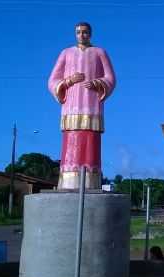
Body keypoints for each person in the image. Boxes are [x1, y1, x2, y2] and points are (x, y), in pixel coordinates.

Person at [48, 22, 116, 189]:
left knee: (90, 140)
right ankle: (69, 182)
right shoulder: (66, 53)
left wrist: (97, 83)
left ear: (90, 34)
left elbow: (111, 78)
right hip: (71, 106)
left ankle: (90, 182)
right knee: (71, 140)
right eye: (78, 32)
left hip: (92, 105)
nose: (82, 35)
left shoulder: (100, 53)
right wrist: (68, 81)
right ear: (75, 34)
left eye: (85, 32)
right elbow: (52, 80)